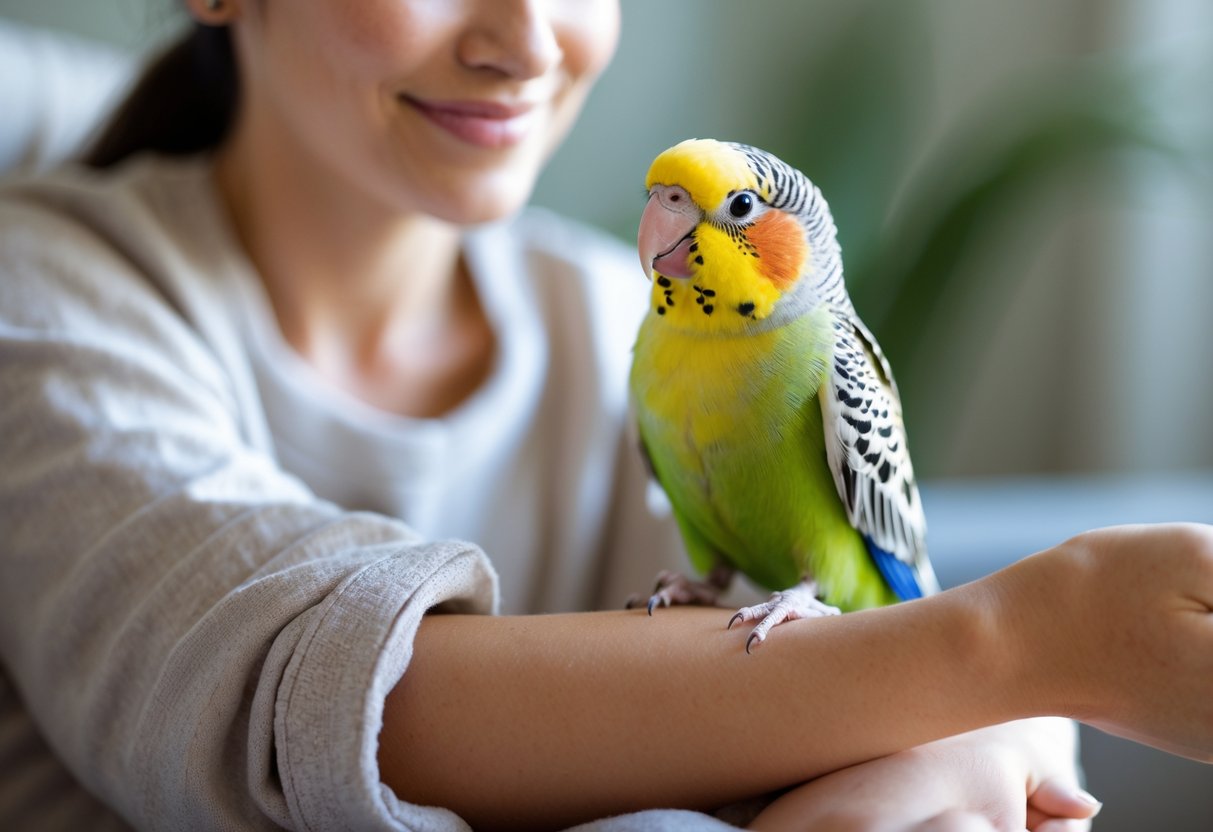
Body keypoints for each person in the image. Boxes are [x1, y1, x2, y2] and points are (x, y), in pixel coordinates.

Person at [0, 1, 1210, 830]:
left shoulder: (607, 310)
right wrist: (1009, 646)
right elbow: (318, 710)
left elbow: (830, 673)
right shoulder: (46, 297)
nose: (526, 39)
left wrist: (986, 735)